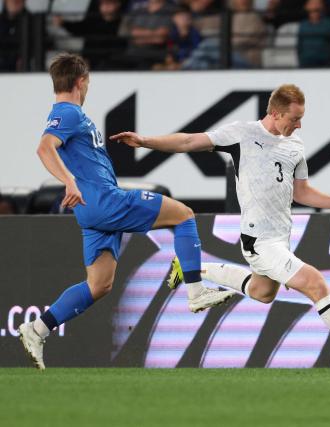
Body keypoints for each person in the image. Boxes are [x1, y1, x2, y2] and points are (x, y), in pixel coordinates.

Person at [110, 84, 330, 370]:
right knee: (315, 283)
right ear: (275, 113)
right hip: (259, 239)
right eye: (294, 118)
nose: (299, 124)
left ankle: (192, 268)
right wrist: (144, 141)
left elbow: (302, 193)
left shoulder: (295, 146)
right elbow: (187, 142)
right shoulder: (242, 134)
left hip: (280, 239)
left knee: (262, 292)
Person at [18, 53, 233, 370]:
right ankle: (196, 290)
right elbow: (44, 148)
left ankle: (37, 328)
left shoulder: (68, 114)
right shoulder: (68, 113)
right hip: (106, 202)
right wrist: (69, 182)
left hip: (92, 212)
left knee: (99, 285)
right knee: (184, 214)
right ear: (81, 81)